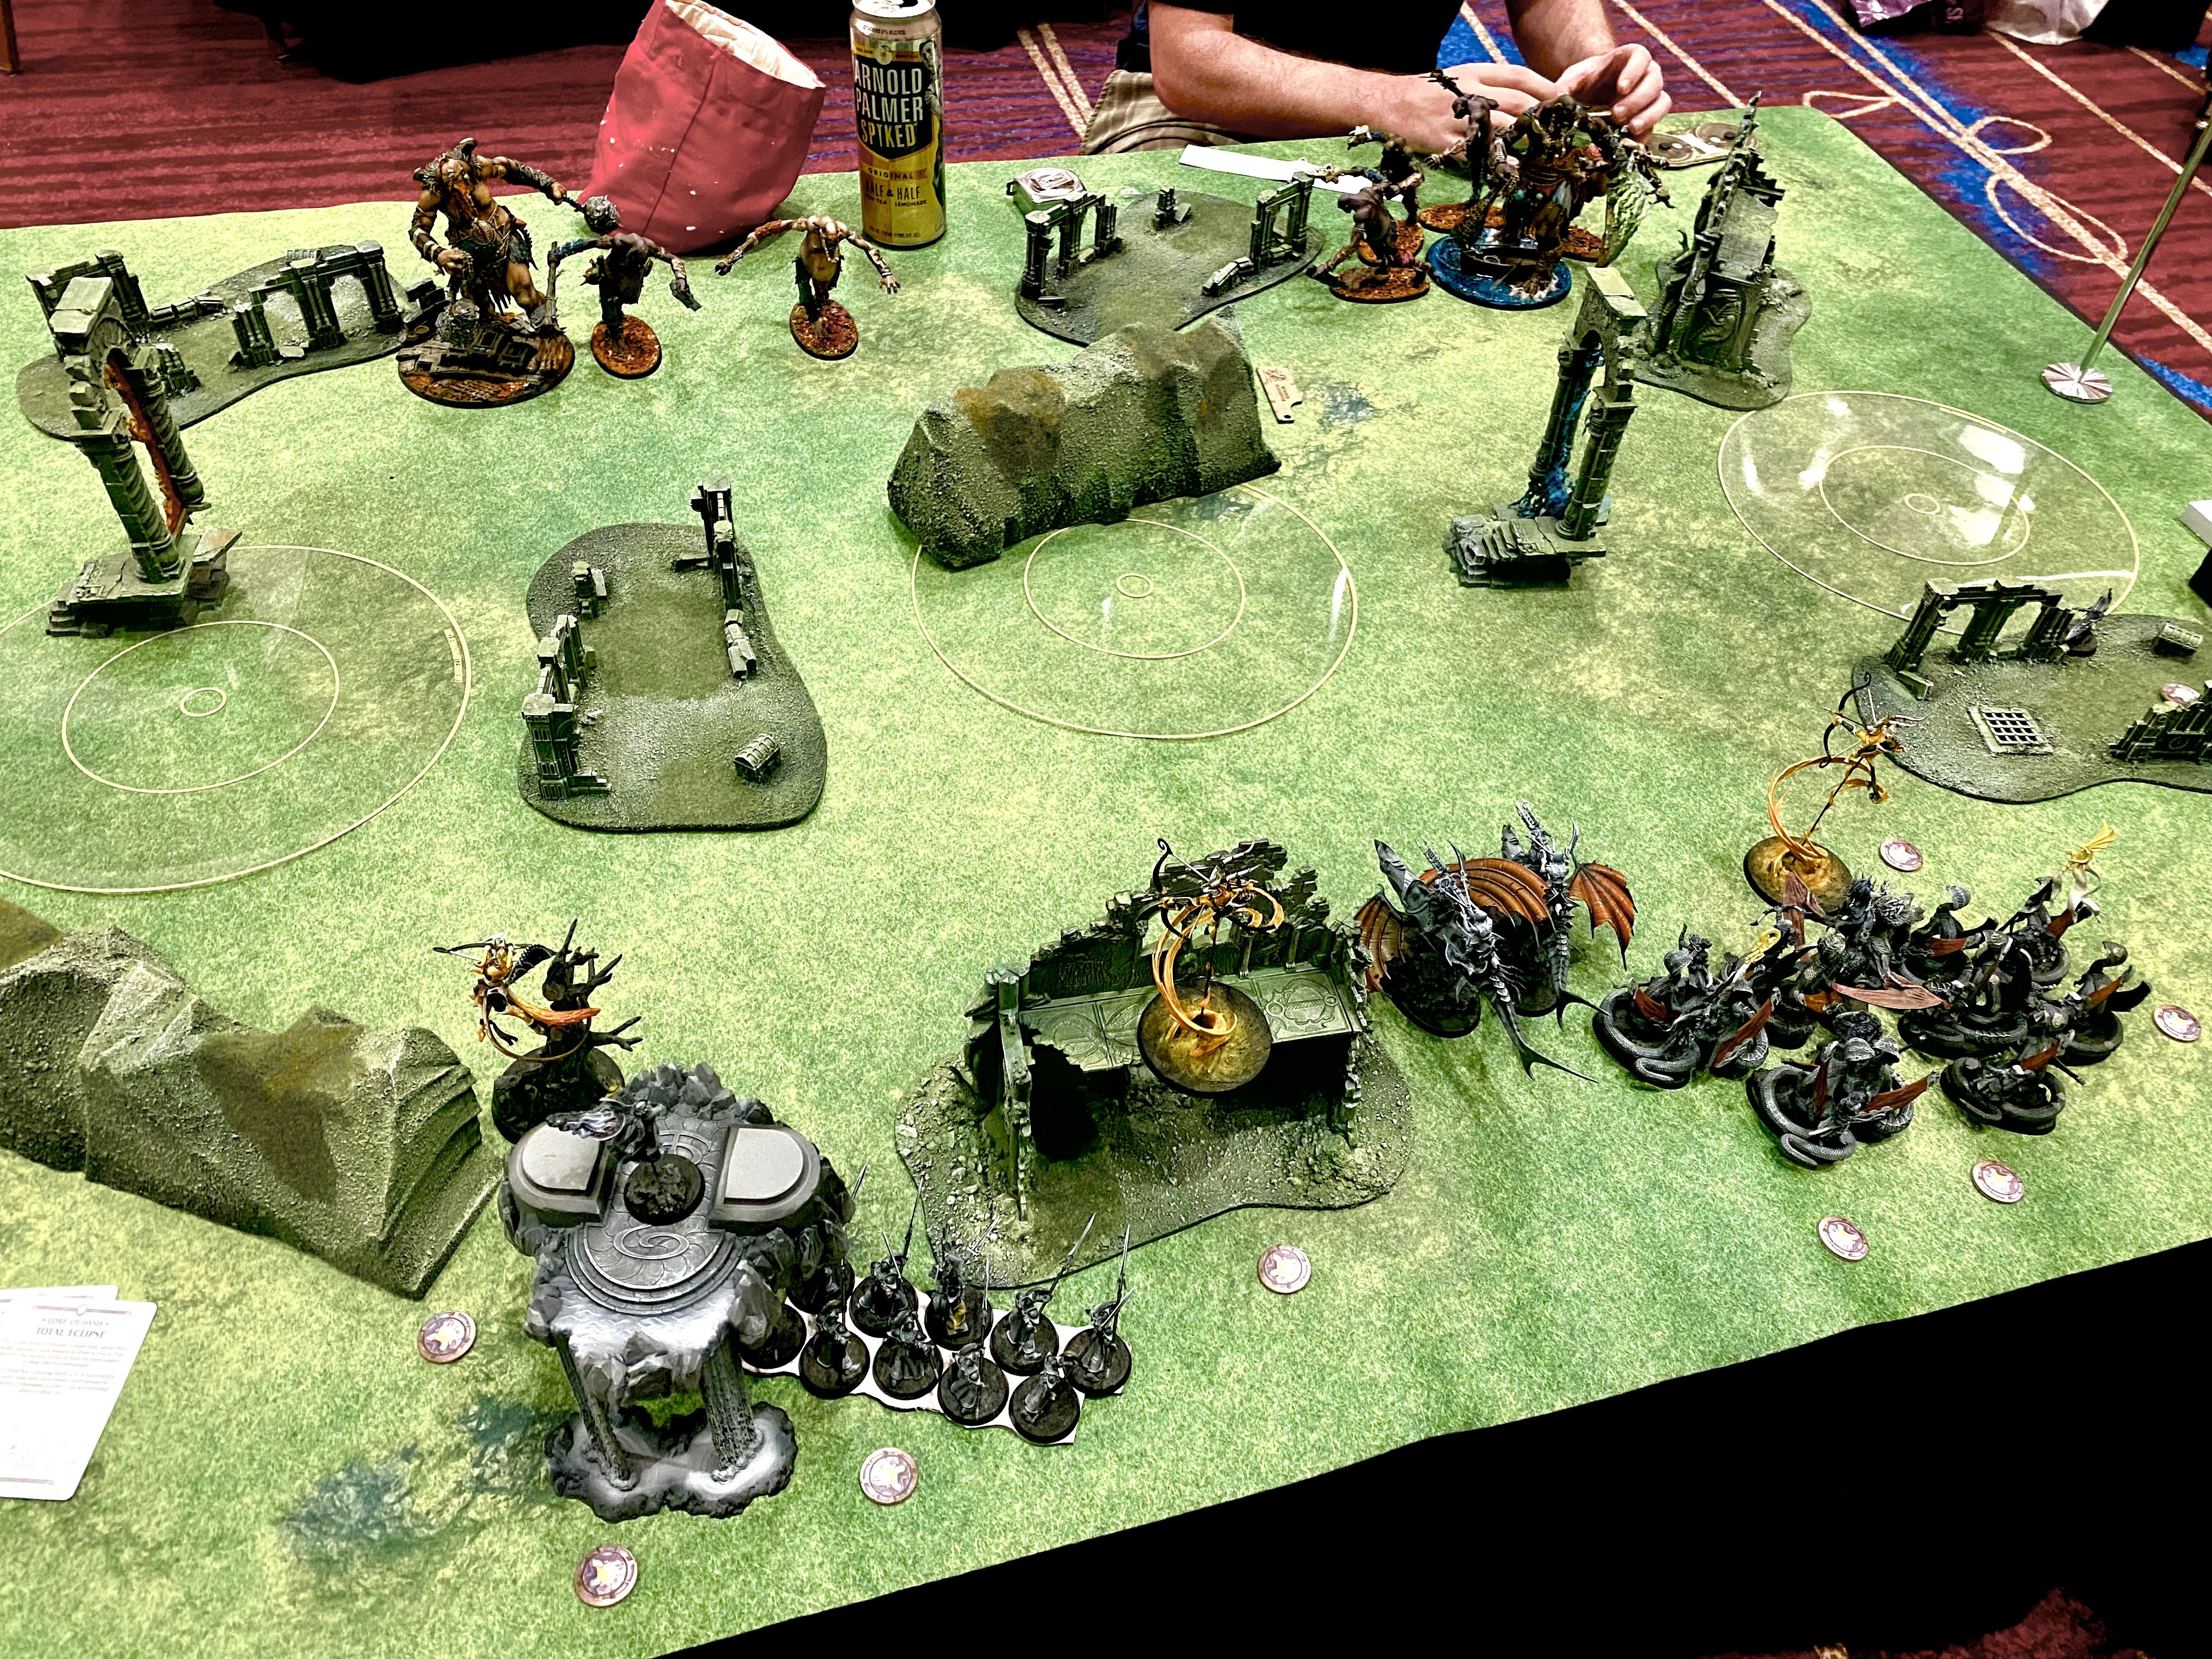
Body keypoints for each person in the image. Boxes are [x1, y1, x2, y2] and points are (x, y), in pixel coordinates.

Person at [1082, 1, 1669, 156]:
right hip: (1205, 107)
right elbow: (1190, 61)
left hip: (1416, 105)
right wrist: (1389, 100)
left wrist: (1597, 67)